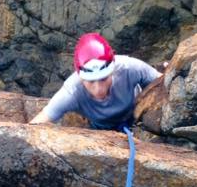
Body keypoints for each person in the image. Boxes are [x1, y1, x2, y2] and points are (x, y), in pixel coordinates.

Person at [30, 32, 161, 130]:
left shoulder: (130, 68)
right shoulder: (72, 92)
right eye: (91, 81)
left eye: (104, 79)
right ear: (80, 77)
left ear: (113, 71)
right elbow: (38, 124)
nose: (99, 89)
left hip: (136, 118)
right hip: (102, 129)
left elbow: (163, 83)